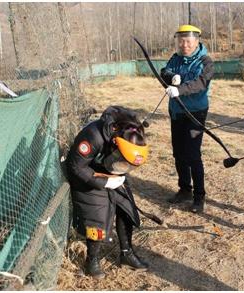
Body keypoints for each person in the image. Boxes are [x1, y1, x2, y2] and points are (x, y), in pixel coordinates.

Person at [66, 106, 150, 279]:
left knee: (127, 209)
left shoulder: (135, 131)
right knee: (97, 216)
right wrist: (103, 181)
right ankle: (92, 260)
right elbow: (75, 166)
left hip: (111, 170)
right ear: (115, 142)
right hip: (87, 174)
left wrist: (119, 174)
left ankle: (126, 253)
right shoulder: (93, 136)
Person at [160, 24, 214, 213]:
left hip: (195, 113)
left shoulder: (206, 62)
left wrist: (179, 89)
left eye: (188, 41)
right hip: (177, 112)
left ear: (196, 41)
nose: (184, 45)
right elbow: (163, 71)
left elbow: (200, 83)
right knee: (179, 153)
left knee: (192, 155)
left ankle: (199, 197)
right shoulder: (176, 58)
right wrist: (171, 76)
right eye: (181, 41)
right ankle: (185, 189)